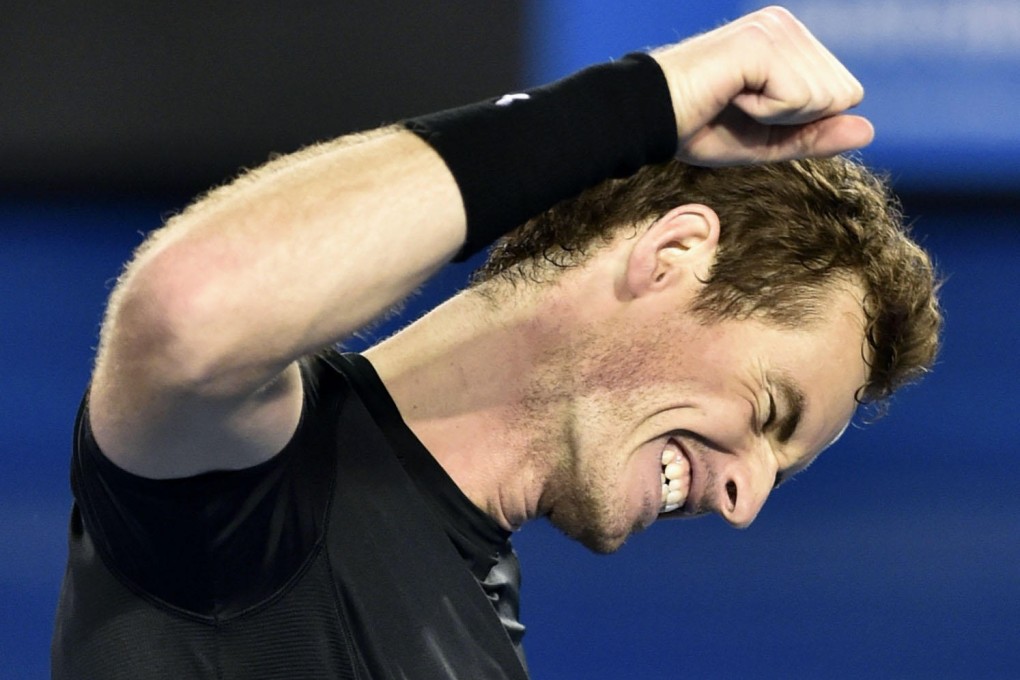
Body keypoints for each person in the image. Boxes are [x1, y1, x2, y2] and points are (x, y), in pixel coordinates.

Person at [52, 6, 941, 679]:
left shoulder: (482, 631)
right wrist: (641, 99)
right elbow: (189, 307)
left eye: (776, 474)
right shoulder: (252, 493)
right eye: (769, 412)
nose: (745, 502)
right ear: (672, 256)